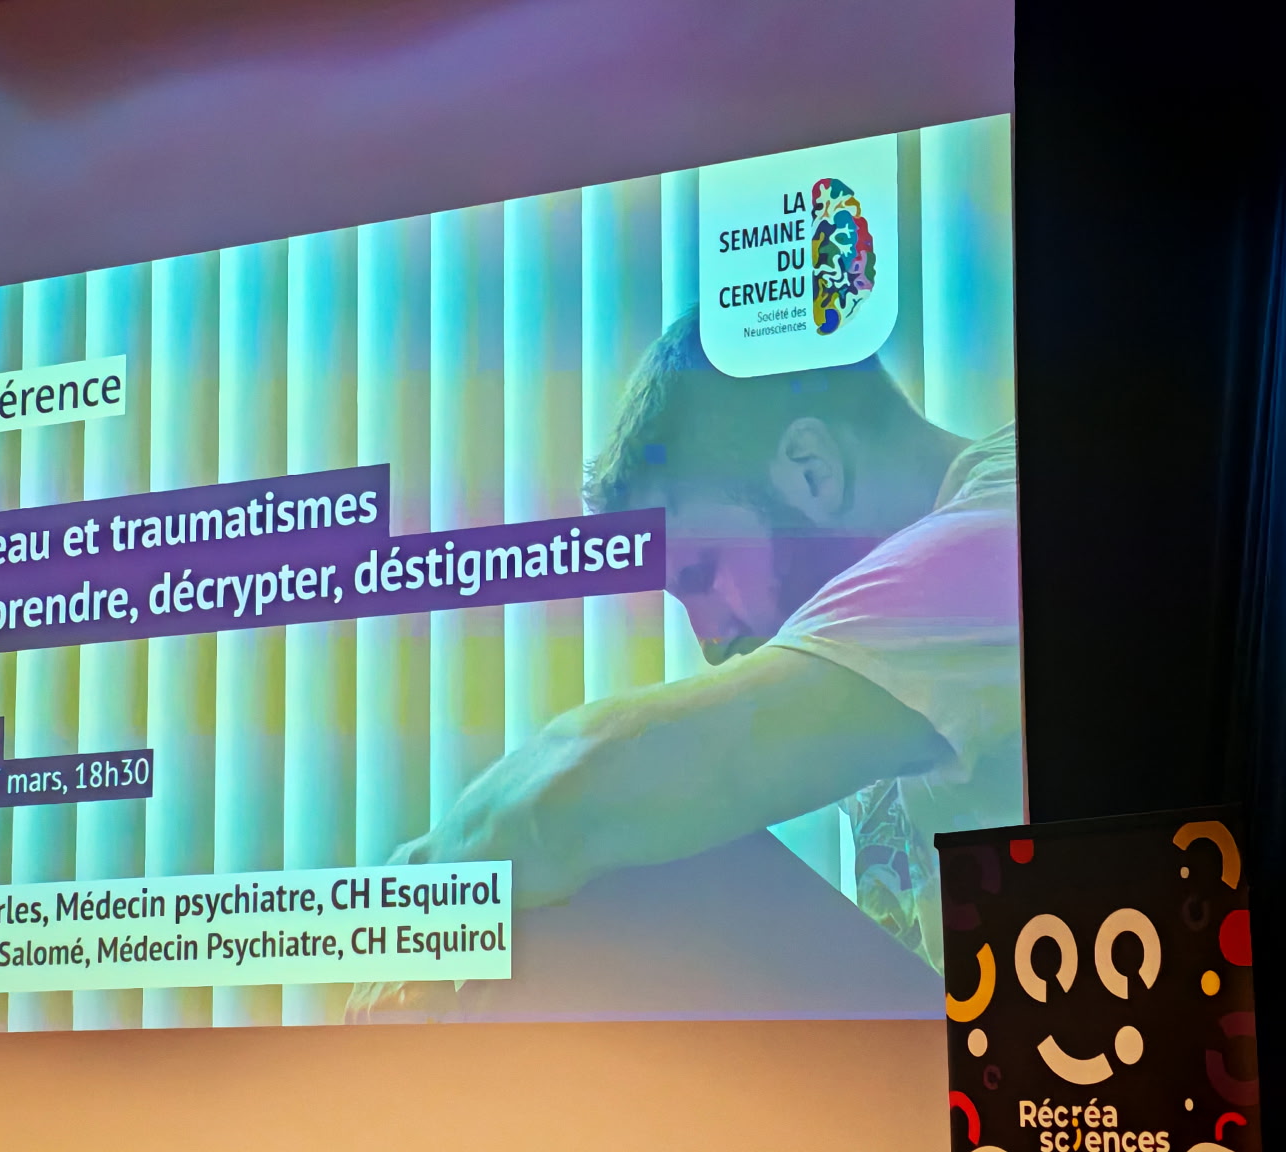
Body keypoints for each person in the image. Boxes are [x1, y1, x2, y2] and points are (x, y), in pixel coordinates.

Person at [347, 308, 1022, 1021]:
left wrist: (421, 897)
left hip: (1035, 1073)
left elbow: (579, 787)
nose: (710, 639)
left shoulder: (1003, 531)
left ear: (812, 472)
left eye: (703, 574)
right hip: (962, 1055)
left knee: (605, 834)